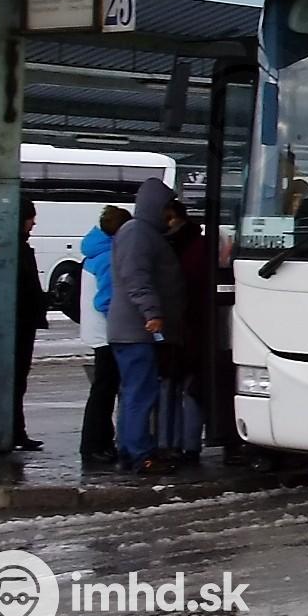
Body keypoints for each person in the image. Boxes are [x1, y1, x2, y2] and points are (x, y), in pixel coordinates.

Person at [108, 179, 184, 475]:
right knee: (140, 393)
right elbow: (136, 277)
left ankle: (131, 451)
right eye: (166, 207)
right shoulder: (138, 233)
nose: (169, 214)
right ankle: (140, 454)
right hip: (136, 330)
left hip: (134, 330)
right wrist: (152, 312)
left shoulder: (141, 232)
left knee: (134, 392)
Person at [77, 206, 129, 467]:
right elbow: (106, 300)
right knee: (104, 391)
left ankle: (98, 443)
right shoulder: (109, 257)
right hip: (107, 334)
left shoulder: (95, 252)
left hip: (98, 332)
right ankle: (95, 445)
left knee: (102, 390)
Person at [161, 199, 211, 461]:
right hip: (187, 326)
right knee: (184, 387)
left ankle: (182, 444)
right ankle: (183, 443)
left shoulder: (178, 247)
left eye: (170, 219)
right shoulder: (190, 244)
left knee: (184, 386)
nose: (167, 224)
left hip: (187, 326)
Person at [12, 197, 45, 452]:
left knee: (18, 381)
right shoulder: (18, 250)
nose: (33, 223)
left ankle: (16, 431)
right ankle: (16, 432)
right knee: (16, 380)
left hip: (23, 323)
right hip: (21, 325)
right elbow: (26, 289)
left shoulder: (19, 247)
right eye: (30, 218)